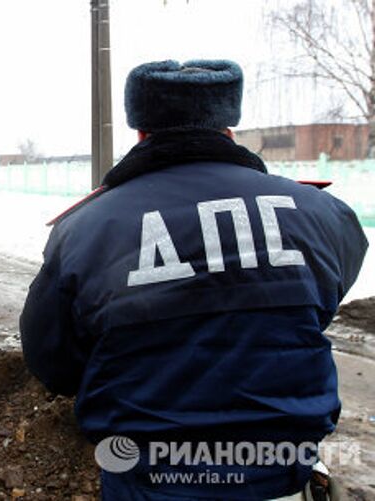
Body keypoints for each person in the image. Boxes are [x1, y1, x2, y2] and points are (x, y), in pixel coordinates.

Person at [20, 60, 367, 500]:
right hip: (278, 478)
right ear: (229, 129)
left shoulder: (86, 228)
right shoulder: (318, 212)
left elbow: (52, 359)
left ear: (142, 132)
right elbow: (324, 301)